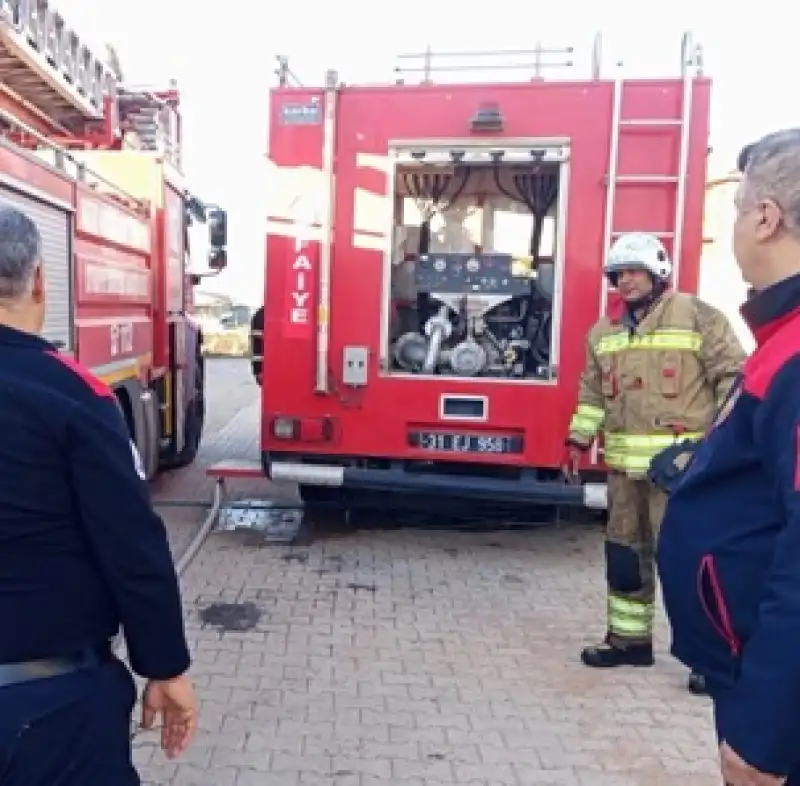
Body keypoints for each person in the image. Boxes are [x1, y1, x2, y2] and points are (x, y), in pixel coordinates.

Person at [0, 207, 196, 785]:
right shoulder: (73, 396)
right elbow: (130, 542)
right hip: (48, 708)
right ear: (41, 280)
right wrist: (165, 666)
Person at [658, 129, 800, 785]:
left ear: (766, 218)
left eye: (738, 209)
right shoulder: (781, 340)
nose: (733, 227)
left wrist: (764, 736)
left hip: (776, 711)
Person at [564, 231, 745, 695]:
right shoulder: (603, 334)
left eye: (634, 272)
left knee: (687, 563)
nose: (625, 281)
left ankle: (709, 658)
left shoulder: (698, 317)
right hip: (624, 476)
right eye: (617, 275)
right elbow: (592, 394)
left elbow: (733, 381)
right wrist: (578, 439)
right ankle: (629, 641)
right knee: (624, 557)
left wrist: (714, 449)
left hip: (681, 474)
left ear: (658, 273)